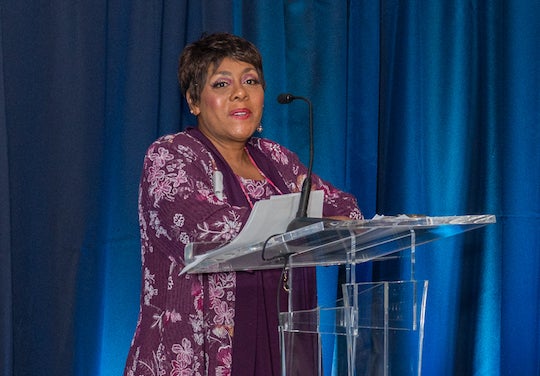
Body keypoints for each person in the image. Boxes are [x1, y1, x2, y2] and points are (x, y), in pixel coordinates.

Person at [124, 32, 362, 376]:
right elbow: (204, 227)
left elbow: (346, 210)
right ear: (194, 101)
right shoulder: (171, 155)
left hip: (280, 344)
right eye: (221, 84)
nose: (240, 92)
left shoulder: (277, 159)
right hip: (197, 350)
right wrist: (298, 221)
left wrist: (299, 221)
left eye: (251, 80)